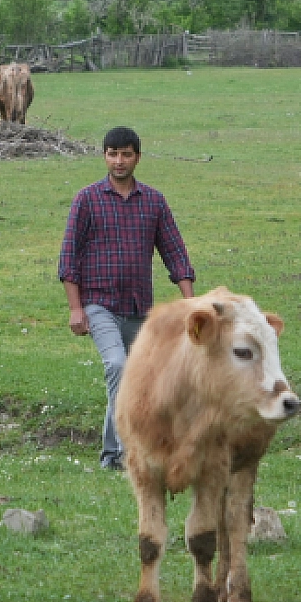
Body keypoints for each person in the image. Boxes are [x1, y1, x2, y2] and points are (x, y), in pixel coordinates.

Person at [57, 126, 195, 471]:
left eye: (126, 154)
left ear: (137, 157)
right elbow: (68, 257)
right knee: (118, 365)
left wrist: (190, 303)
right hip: (98, 304)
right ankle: (126, 455)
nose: (119, 161)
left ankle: (110, 457)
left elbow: (175, 252)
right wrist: (76, 308)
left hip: (138, 308)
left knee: (135, 381)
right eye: (112, 153)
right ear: (104, 156)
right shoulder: (87, 199)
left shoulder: (154, 201)